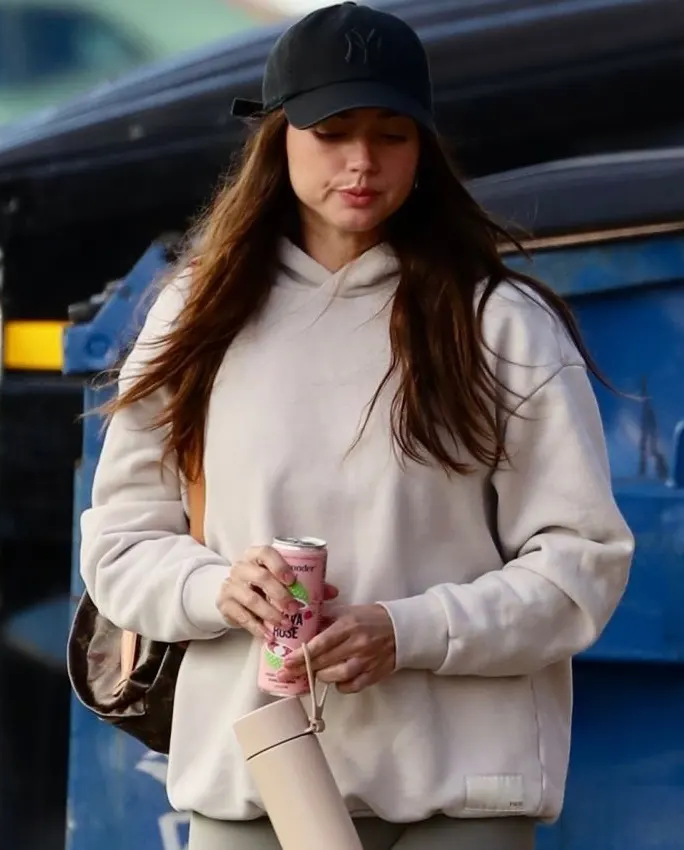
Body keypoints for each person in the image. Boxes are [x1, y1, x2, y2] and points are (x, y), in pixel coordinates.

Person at [79, 3, 634, 849]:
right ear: (278, 139)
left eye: (392, 134)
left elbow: (580, 568)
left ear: (426, 148)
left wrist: (407, 631)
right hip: (255, 780)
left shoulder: (500, 324)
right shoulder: (198, 319)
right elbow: (120, 545)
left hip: (462, 791)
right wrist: (217, 587)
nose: (362, 161)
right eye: (333, 131)